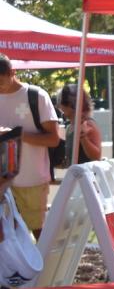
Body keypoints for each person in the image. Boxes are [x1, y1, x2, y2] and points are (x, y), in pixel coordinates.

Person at [0, 54, 61, 238]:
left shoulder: (36, 96)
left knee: (38, 232)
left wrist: (17, 134)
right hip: (3, 181)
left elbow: (53, 139)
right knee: (6, 236)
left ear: (13, 72)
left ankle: (45, 266)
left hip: (32, 179)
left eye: (1, 82)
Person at [57, 83, 103, 165]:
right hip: (76, 175)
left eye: (61, 102)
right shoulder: (70, 127)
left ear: (70, 104)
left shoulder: (88, 124)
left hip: (88, 175)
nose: (59, 107)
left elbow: (96, 156)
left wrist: (83, 136)